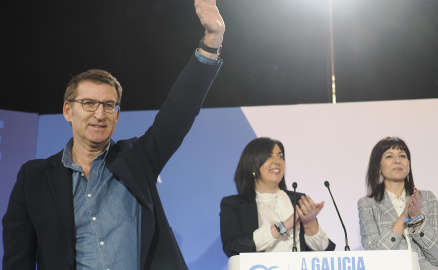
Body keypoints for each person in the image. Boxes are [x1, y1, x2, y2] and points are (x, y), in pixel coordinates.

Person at [2, 0, 225, 269]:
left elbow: (179, 111)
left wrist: (211, 41)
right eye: (88, 103)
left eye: (109, 105)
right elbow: (18, 259)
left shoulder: (137, 159)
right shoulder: (34, 177)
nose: (99, 114)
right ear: (67, 110)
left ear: (117, 115)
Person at [220, 137, 336, 257]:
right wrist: (284, 226)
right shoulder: (234, 204)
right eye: (269, 156)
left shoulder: (299, 200)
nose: (277, 161)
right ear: (252, 165)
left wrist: (310, 223)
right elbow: (233, 248)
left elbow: (324, 253)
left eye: (280, 156)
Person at [357, 136, 438, 270]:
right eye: (389, 156)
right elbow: (374, 256)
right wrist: (404, 217)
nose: (397, 161)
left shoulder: (427, 198)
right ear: (378, 166)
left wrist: (417, 217)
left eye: (402, 156)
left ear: (409, 165)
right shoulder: (367, 204)